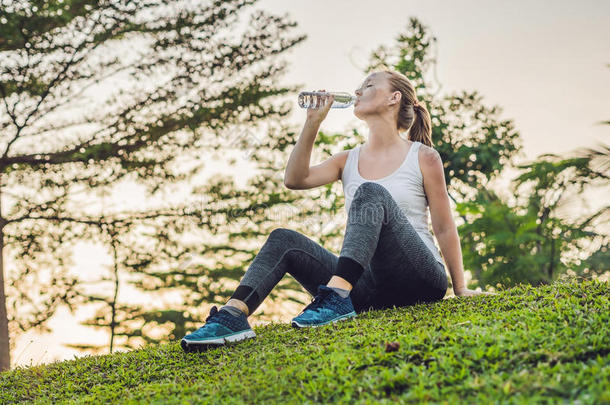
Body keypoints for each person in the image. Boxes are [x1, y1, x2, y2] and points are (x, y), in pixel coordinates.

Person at [180, 69, 495, 353]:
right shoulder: (348, 159)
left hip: (419, 278)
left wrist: (460, 287)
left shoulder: (423, 156)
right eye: (358, 87)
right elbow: (295, 179)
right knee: (283, 238)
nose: (357, 92)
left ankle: (335, 298)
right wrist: (312, 124)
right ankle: (232, 316)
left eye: (368, 85)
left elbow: (443, 226)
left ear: (394, 98)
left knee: (370, 192)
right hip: (368, 291)